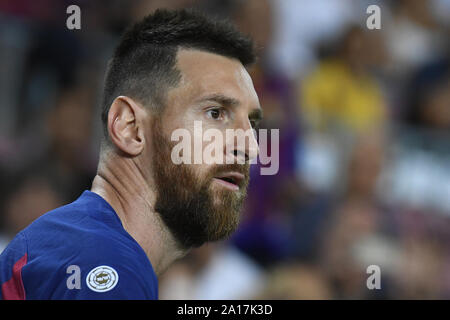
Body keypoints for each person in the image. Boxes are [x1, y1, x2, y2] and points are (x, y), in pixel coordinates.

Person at [0, 8, 261, 300]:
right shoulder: (107, 266)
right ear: (130, 127)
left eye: (252, 123)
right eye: (216, 113)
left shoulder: (68, 242)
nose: (251, 146)